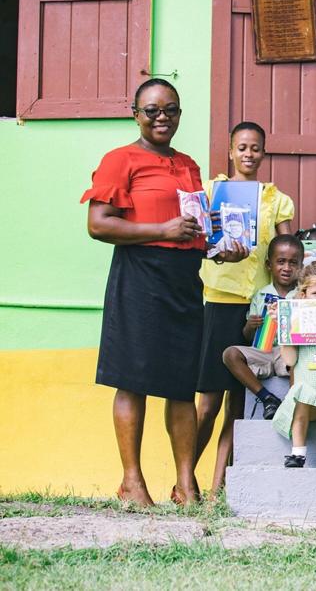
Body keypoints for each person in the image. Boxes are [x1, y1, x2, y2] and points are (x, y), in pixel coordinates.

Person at [81, 78, 247, 507]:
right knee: (131, 380)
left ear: (179, 114)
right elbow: (98, 224)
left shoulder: (188, 165)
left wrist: (219, 249)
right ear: (135, 114)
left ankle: (186, 485)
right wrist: (162, 230)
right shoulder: (120, 160)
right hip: (139, 277)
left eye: (170, 110)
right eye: (152, 110)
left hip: (184, 281)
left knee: (181, 386)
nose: (161, 117)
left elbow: (192, 229)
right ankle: (132, 482)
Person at [195, 121, 295, 493]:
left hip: (258, 307)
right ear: (230, 151)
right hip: (220, 301)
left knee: (236, 405)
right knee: (208, 403)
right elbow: (198, 241)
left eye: (255, 148)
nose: (248, 154)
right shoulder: (212, 191)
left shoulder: (277, 199)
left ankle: (217, 487)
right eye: (242, 147)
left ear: (263, 152)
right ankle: (185, 479)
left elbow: (288, 251)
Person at [221, 234, 304, 420]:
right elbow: (248, 337)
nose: (287, 268)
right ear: (268, 265)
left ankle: (292, 404)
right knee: (230, 354)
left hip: (288, 353)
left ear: (301, 266)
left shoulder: (302, 295)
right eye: (281, 262)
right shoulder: (260, 295)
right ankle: (267, 398)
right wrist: (250, 326)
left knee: (301, 358)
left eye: (293, 263)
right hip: (263, 352)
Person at [272, 262, 316, 468]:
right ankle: (298, 452)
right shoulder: (297, 320)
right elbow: (290, 361)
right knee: (300, 402)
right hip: (307, 378)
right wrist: (283, 329)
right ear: (303, 295)